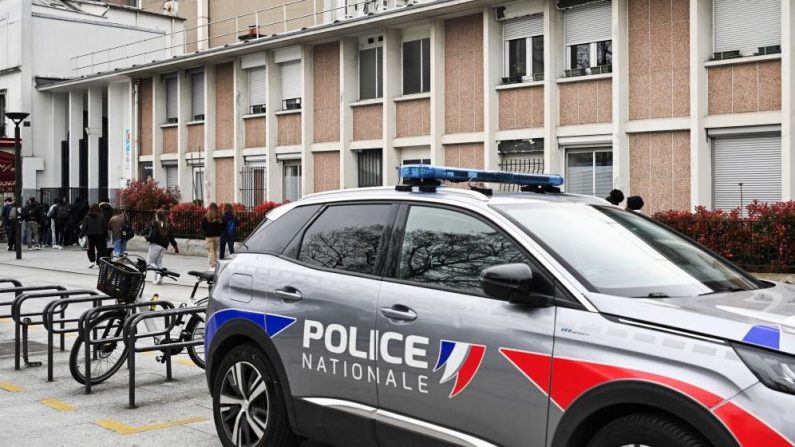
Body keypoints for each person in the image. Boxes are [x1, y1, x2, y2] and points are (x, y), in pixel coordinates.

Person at [145, 210, 179, 285]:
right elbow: (171, 237)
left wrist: (146, 235)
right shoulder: (168, 225)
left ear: (157, 216)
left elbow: (145, 231)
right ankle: (157, 280)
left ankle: (160, 274)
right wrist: (175, 246)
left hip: (155, 245)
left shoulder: (154, 223)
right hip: (164, 247)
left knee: (150, 262)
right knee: (158, 262)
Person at [81, 204, 108, 268]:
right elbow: (105, 226)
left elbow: (84, 227)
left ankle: (92, 261)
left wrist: (81, 235)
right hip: (100, 234)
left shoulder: (87, 216)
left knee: (90, 249)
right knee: (100, 249)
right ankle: (99, 262)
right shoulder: (101, 216)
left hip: (90, 235)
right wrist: (106, 235)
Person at [201, 203, 224, 268]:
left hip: (209, 236)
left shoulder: (206, 216)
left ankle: (213, 264)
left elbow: (202, 227)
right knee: (215, 250)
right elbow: (222, 226)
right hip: (217, 236)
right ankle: (216, 262)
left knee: (210, 250)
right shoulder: (218, 216)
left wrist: (204, 233)